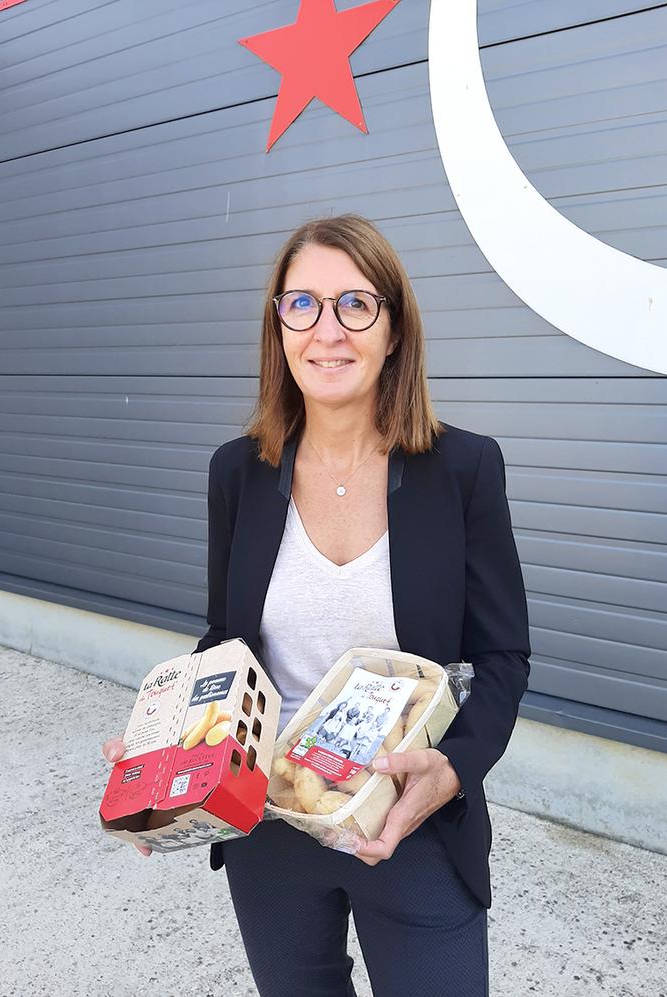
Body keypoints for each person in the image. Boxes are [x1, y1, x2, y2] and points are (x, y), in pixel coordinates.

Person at [102, 213, 531, 996]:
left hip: (404, 815)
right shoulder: (237, 472)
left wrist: (453, 770)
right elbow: (227, 641)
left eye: (353, 304)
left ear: (394, 328)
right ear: (278, 326)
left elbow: (503, 656)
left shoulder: (463, 468)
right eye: (301, 304)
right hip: (266, 817)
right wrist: (162, 751)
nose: (325, 330)